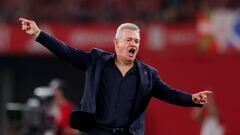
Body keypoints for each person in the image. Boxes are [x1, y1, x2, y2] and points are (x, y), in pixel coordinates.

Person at [19, 17, 212, 135]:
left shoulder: (148, 74)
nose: (134, 44)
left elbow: (169, 93)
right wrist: (38, 34)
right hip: (97, 132)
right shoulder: (96, 60)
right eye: (129, 40)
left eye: (136, 41)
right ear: (117, 43)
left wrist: (192, 99)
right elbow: (67, 52)